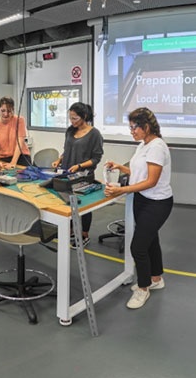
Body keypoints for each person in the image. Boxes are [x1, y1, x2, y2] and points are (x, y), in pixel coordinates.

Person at [103, 107, 172, 310]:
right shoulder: (143, 145)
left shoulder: (157, 147)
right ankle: (156, 279)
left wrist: (121, 190)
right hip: (143, 200)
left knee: (138, 247)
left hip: (158, 202)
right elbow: (139, 172)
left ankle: (143, 289)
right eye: (130, 127)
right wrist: (120, 167)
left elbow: (151, 181)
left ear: (146, 127)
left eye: (134, 128)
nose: (131, 131)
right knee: (151, 241)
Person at [55, 102, 104, 247]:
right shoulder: (70, 131)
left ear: (84, 117)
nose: (72, 121)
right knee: (68, 203)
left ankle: (84, 235)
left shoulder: (94, 134)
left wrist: (79, 166)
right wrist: (59, 159)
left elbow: (96, 158)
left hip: (83, 176)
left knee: (83, 206)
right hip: (66, 174)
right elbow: (67, 150)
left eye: (75, 118)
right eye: (70, 118)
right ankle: (71, 231)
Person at [0, 97, 30, 169]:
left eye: (9, 111)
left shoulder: (19, 120)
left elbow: (20, 142)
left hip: (21, 157)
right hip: (4, 158)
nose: (6, 114)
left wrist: (13, 163)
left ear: (13, 110)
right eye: (3, 110)